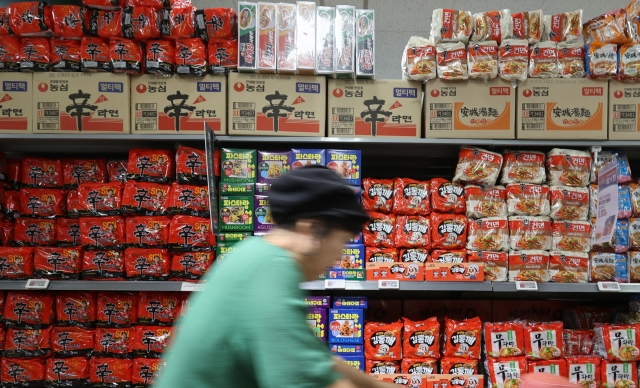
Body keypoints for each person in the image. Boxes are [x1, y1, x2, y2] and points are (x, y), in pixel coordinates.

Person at [157, 165, 395, 388]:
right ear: (312, 230)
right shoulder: (271, 269)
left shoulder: (254, 253)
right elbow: (306, 382)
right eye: (341, 241)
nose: (339, 255)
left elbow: (321, 362)